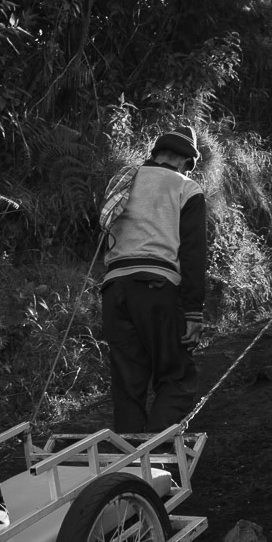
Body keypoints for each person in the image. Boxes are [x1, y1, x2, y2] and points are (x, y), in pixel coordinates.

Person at [100, 125, 208, 433]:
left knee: (127, 383)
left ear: (158, 153)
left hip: (115, 288)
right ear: (186, 161)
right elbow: (192, 253)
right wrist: (193, 311)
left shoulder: (123, 181)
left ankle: (129, 457)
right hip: (158, 287)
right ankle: (155, 448)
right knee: (177, 377)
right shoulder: (186, 187)